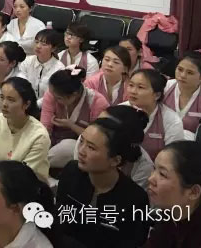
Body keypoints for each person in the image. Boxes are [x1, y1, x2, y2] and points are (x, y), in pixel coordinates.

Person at [56, 118, 150, 248]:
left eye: (91, 147)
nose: (81, 151)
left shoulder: (135, 200)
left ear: (115, 160)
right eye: (81, 141)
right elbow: (60, 220)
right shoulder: (71, 172)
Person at [146, 141, 201, 247]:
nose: (150, 179)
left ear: (194, 192)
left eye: (162, 174)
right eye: (154, 169)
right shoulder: (169, 213)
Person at [41, 67, 109, 169]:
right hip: (53, 143)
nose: (53, 99)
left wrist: (71, 125)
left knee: (67, 146)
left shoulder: (97, 102)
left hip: (82, 147)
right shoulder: (52, 94)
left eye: (59, 98)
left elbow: (96, 139)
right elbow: (45, 128)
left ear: (74, 95)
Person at [0, 77, 50, 181]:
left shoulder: (39, 135)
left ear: (26, 104)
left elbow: (25, 175)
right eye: (2, 97)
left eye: (11, 100)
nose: (4, 104)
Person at [73, 105, 153, 191]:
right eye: (98, 121)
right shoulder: (85, 139)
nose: (96, 128)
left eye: (105, 125)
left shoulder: (143, 167)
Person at [123, 68, 184, 162]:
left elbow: (173, 159)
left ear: (157, 95)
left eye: (140, 87)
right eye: (131, 85)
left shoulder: (172, 120)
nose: (133, 91)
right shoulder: (118, 111)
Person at [163, 51, 201, 140]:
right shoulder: (166, 86)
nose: (182, 75)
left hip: (192, 145)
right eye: (180, 69)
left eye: (190, 73)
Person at [19, 29, 65, 102]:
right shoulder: (27, 61)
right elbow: (20, 84)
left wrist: (35, 105)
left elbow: (53, 95)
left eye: (44, 44)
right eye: (36, 42)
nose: (38, 46)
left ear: (53, 48)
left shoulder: (59, 68)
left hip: (48, 105)